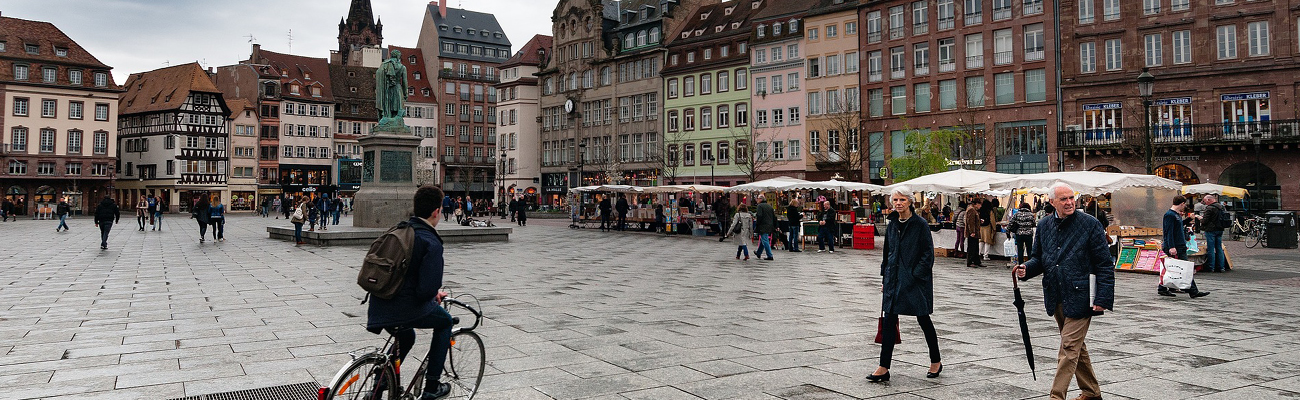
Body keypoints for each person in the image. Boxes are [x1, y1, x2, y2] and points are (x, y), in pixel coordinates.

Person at [1014, 183, 1115, 400]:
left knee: (1068, 347)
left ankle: (1056, 396)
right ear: (1052, 202)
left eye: (1072, 198)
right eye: (1063, 199)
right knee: (1077, 347)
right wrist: (1026, 269)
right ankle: (1091, 392)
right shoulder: (1043, 225)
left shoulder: (1090, 224)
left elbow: (1104, 264)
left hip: (1082, 295)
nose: (1069, 202)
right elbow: (1039, 258)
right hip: (1056, 293)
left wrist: (1103, 298)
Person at [366, 185, 455, 400]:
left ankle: (380, 383)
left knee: (407, 336)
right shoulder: (430, 240)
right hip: (403, 306)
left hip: (379, 303)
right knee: (445, 323)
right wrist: (436, 294)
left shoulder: (399, 229)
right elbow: (426, 289)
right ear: (436, 211)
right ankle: (432, 387)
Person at [869, 186, 942, 382]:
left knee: (923, 320)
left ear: (910, 201)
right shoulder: (892, 223)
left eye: (902, 200)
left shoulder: (920, 224)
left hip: (915, 281)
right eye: (895, 200)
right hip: (893, 279)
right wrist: (885, 276)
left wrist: (914, 275)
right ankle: (883, 367)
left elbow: (928, 255)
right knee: (889, 321)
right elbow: (887, 252)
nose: (898, 203)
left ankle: (936, 361)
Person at [1160, 196, 1211, 298]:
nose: (1185, 207)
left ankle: (1162, 288)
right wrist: (1171, 247)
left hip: (1179, 245)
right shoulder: (1170, 215)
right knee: (1185, 268)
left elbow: (1178, 226)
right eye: (1184, 204)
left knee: (1172, 267)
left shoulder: (1175, 215)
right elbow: (1168, 232)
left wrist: (1188, 219)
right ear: (1182, 203)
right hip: (1176, 246)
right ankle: (1193, 291)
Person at [1198, 195, 1228, 273]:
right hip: (1220, 229)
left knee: (1210, 248)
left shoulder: (1209, 208)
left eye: (1205, 201)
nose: (1204, 203)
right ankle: (1221, 267)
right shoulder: (1221, 207)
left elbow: (1205, 221)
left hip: (1210, 230)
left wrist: (1200, 218)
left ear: (1208, 200)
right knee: (1219, 248)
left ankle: (1211, 267)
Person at [965, 201, 983, 268]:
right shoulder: (971, 210)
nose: (980, 206)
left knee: (975, 247)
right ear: (976, 204)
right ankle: (970, 262)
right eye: (980, 205)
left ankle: (976, 261)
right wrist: (972, 232)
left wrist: (979, 220)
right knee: (972, 247)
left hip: (975, 232)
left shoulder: (974, 210)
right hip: (973, 232)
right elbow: (970, 222)